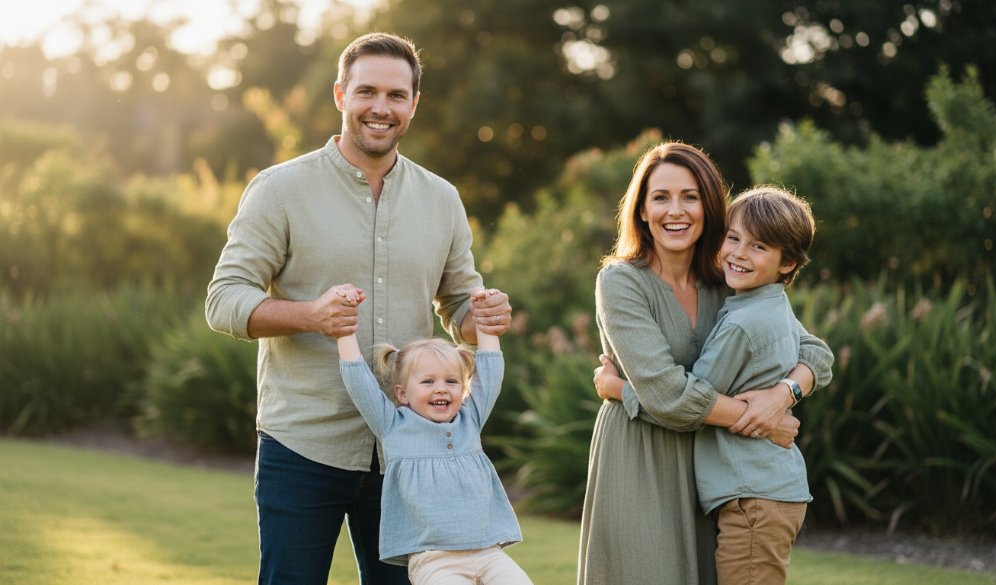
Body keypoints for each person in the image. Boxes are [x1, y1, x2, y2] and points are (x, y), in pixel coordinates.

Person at [205, 32, 511, 585]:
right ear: (340, 94)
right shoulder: (279, 189)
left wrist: (482, 316)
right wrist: (310, 316)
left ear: (414, 104)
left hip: (408, 455)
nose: (381, 108)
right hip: (303, 444)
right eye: (367, 91)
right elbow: (224, 298)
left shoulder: (441, 199)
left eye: (396, 95)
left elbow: (459, 304)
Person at [579, 142, 833, 585]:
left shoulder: (729, 278)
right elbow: (667, 395)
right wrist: (761, 421)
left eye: (690, 197)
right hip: (641, 459)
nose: (675, 211)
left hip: (714, 472)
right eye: (661, 197)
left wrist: (783, 395)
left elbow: (815, 352)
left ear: (709, 207)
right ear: (642, 210)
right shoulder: (620, 282)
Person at [335, 286, 533, 585]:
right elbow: (359, 382)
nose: (441, 389)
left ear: (463, 388)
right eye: (428, 382)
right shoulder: (393, 426)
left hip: (488, 552)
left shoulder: (469, 420)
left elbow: (491, 372)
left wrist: (486, 323)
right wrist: (344, 332)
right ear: (402, 393)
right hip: (434, 559)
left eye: (451, 381)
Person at [684, 185, 822, 584]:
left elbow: (690, 398)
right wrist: (784, 394)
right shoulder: (769, 303)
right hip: (764, 493)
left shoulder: (744, 323)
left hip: (756, 498)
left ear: (788, 262)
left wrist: (618, 388)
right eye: (733, 238)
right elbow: (820, 355)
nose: (739, 253)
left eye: (758, 246)